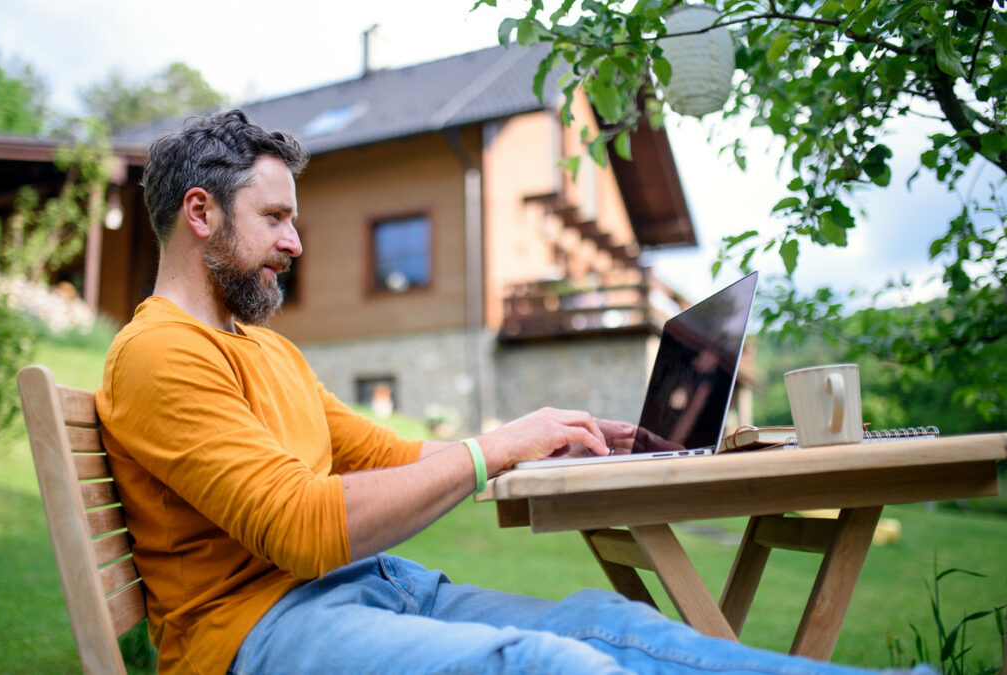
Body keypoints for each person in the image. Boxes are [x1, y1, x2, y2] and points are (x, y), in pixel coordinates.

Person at [96, 110, 925, 675]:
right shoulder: (158, 354)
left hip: (379, 586)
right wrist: (491, 452)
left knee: (619, 626)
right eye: (276, 217)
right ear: (200, 213)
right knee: (554, 667)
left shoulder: (266, 349)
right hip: (257, 632)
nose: (296, 241)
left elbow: (388, 455)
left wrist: (535, 433)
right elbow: (301, 529)